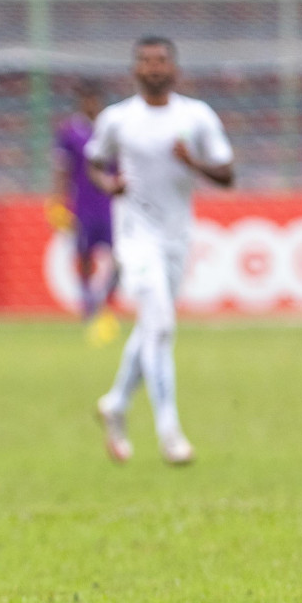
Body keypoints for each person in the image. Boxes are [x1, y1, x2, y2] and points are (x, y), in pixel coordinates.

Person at [88, 36, 234, 466]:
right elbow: (96, 162)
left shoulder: (196, 116)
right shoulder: (117, 119)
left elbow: (227, 173)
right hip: (134, 237)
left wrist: (193, 164)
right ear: (134, 70)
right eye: (146, 61)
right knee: (163, 326)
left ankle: (115, 403)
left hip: (176, 237)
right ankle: (169, 432)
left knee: (152, 328)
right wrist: (109, 185)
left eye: (161, 61)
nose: (154, 68)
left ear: (175, 68)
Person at [51, 81, 119, 345]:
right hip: (82, 205)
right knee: (85, 256)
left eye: (94, 100)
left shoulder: (110, 130)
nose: (91, 105)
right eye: (86, 100)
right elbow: (62, 169)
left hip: (112, 205)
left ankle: (107, 303)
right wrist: (57, 202)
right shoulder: (69, 132)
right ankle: (89, 305)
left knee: (118, 259)